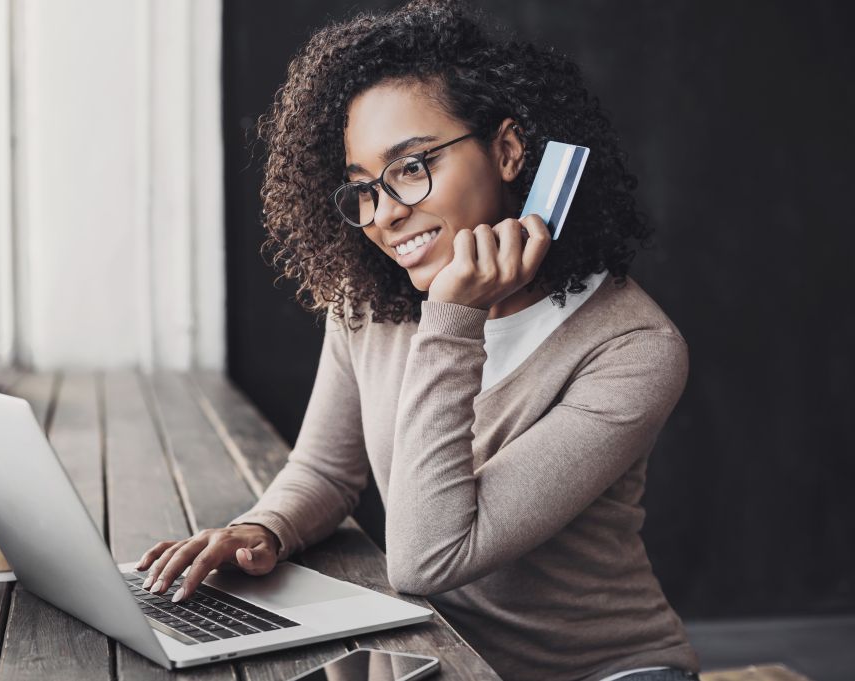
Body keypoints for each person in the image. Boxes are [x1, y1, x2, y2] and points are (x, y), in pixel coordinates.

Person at [135, 1, 701, 679]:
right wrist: (264, 527)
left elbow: (428, 556)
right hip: (438, 660)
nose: (386, 213)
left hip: (602, 670)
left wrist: (454, 316)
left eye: (411, 166)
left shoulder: (633, 348)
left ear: (509, 150)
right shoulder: (368, 305)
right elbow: (326, 470)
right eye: (363, 189)